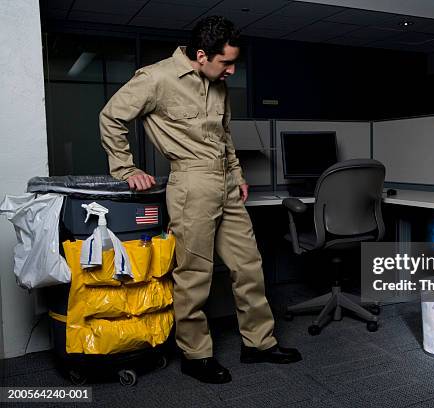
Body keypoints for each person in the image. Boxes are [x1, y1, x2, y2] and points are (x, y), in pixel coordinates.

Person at [99, 15, 301, 384]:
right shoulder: (156, 78)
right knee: (194, 275)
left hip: (225, 183)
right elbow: (111, 117)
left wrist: (237, 175)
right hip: (191, 182)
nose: (232, 70)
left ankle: (259, 343)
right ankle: (196, 354)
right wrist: (126, 170)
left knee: (249, 266)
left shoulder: (218, 85)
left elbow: (225, 137)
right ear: (202, 55)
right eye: (226, 62)